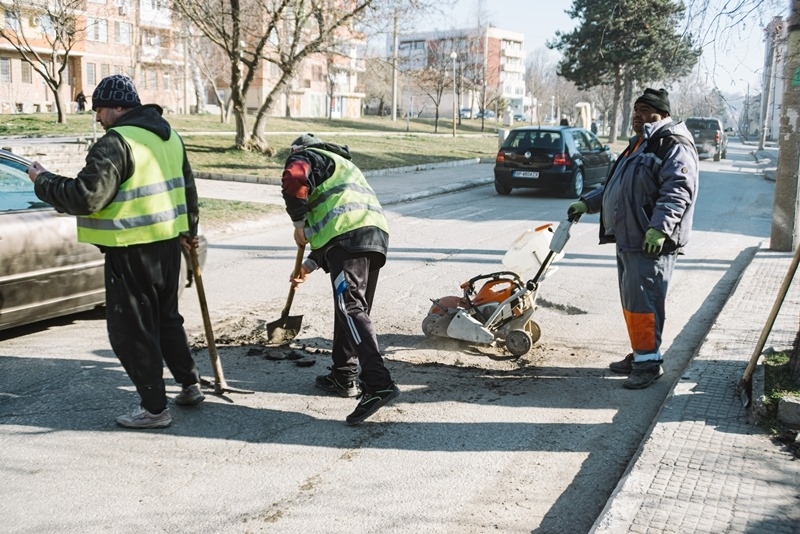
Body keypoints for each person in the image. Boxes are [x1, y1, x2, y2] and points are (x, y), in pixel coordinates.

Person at [27, 74, 205, 428]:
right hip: (168, 246)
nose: (96, 117)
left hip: (130, 251)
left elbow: (86, 197)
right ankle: (190, 384)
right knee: (167, 320)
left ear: (116, 107)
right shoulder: (168, 136)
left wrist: (43, 180)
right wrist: (190, 233)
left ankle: (154, 409)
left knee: (133, 330)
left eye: (99, 110)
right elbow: (188, 190)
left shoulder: (117, 142)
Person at [567, 88, 699, 389]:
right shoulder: (640, 144)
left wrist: (660, 227)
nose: (637, 115)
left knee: (645, 303)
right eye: (636, 108)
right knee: (633, 302)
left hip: (650, 241)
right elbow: (619, 186)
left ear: (662, 114)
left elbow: (678, 190)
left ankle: (649, 363)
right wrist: (589, 202)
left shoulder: (671, 144)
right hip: (631, 237)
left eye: (644, 109)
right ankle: (641, 353)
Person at [281, 132, 400, 425]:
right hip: (371, 237)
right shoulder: (340, 165)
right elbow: (332, 223)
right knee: (350, 309)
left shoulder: (306, 156)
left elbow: (294, 179)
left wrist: (297, 224)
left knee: (350, 308)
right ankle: (343, 375)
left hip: (349, 238)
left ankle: (378, 382)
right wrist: (307, 266)